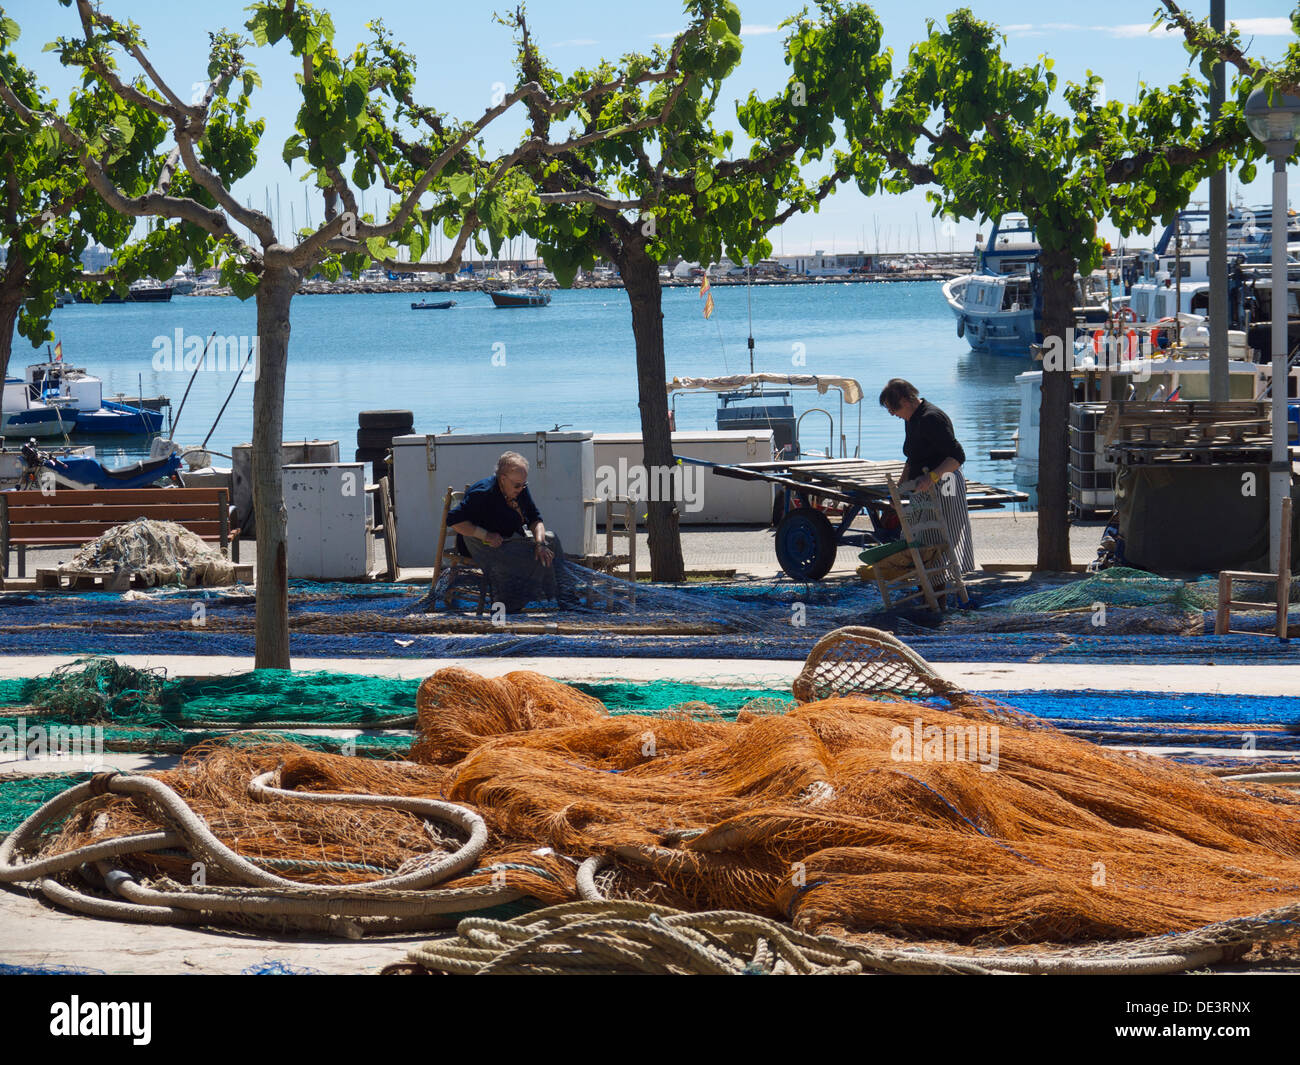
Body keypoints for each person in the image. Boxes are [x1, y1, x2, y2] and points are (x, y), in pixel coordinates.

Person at [447, 451, 570, 612]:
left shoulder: (520, 490)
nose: (521, 489)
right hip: (482, 544)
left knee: (550, 540)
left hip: (509, 539)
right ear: (503, 479)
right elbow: (454, 521)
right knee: (528, 557)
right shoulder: (484, 492)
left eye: (523, 484)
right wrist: (486, 535)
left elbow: (535, 520)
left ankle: (566, 596)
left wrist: (540, 543)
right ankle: (512, 600)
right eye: (517, 485)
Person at [878, 378, 975, 573]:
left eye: (893, 409)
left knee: (940, 540)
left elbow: (957, 456)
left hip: (946, 484)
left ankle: (941, 591)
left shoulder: (932, 418)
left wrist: (932, 477)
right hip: (922, 487)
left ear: (905, 401)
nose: (892, 414)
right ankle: (927, 588)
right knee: (918, 541)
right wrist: (899, 489)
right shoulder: (911, 419)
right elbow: (912, 458)